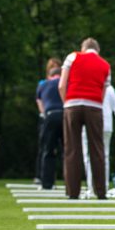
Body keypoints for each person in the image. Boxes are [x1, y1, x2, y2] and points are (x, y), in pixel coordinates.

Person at [59, 38, 111, 199]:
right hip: (94, 106)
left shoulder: (73, 57)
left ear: (83, 48)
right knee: (97, 149)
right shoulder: (105, 65)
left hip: (72, 104)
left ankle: (73, 192)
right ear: (98, 50)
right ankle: (101, 192)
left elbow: (61, 85)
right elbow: (103, 92)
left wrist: (66, 103)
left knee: (72, 150)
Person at [82, 82, 115, 192]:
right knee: (104, 157)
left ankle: (91, 186)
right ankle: (103, 186)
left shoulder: (86, 87)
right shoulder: (109, 89)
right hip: (106, 126)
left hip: (91, 125)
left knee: (88, 156)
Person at [36, 58, 64, 190]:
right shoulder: (65, 82)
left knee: (48, 151)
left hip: (50, 116)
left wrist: (45, 114)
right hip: (65, 115)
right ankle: (70, 183)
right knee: (67, 151)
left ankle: (47, 183)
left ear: (50, 75)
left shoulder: (43, 84)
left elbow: (40, 103)